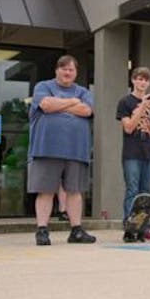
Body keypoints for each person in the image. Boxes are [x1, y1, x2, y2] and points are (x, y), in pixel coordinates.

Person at [27, 55, 95, 246]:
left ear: (76, 72)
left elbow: (86, 111)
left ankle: (76, 231)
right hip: (47, 149)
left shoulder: (83, 91)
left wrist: (60, 105)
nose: (67, 72)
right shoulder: (43, 86)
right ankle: (42, 230)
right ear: (57, 70)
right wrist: (72, 102)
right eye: (64, 69)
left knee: (75, 191)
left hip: (76, 150)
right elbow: (46, 105)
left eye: (71, 69)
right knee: (45, 191)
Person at [116, 66, 150, 242]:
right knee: (132, 190)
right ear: (133, 80)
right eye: (139, 78)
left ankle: (144, 229)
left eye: (145, 80)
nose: (142, 82)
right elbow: (128, 128)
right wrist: (142, 105)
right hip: (132, 152)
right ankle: (130, 228)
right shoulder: (125, 102)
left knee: (146, 193)